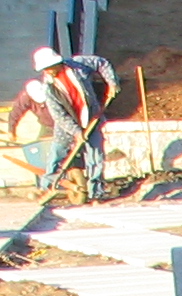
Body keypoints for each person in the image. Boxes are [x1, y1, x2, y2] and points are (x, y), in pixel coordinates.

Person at [10, 46, 116, 200]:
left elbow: (102, 63)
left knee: (96, 158)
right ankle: (47, 187)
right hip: (66, 127)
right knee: (57, 156)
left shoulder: (78, 65)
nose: (48, 72)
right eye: (45, 69)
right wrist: (76, 132)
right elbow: (59, 116)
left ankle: (96, 193)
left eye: (50, 68)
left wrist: (111, 82)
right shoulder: (49, 88)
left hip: (91, 119)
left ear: (58, 63)